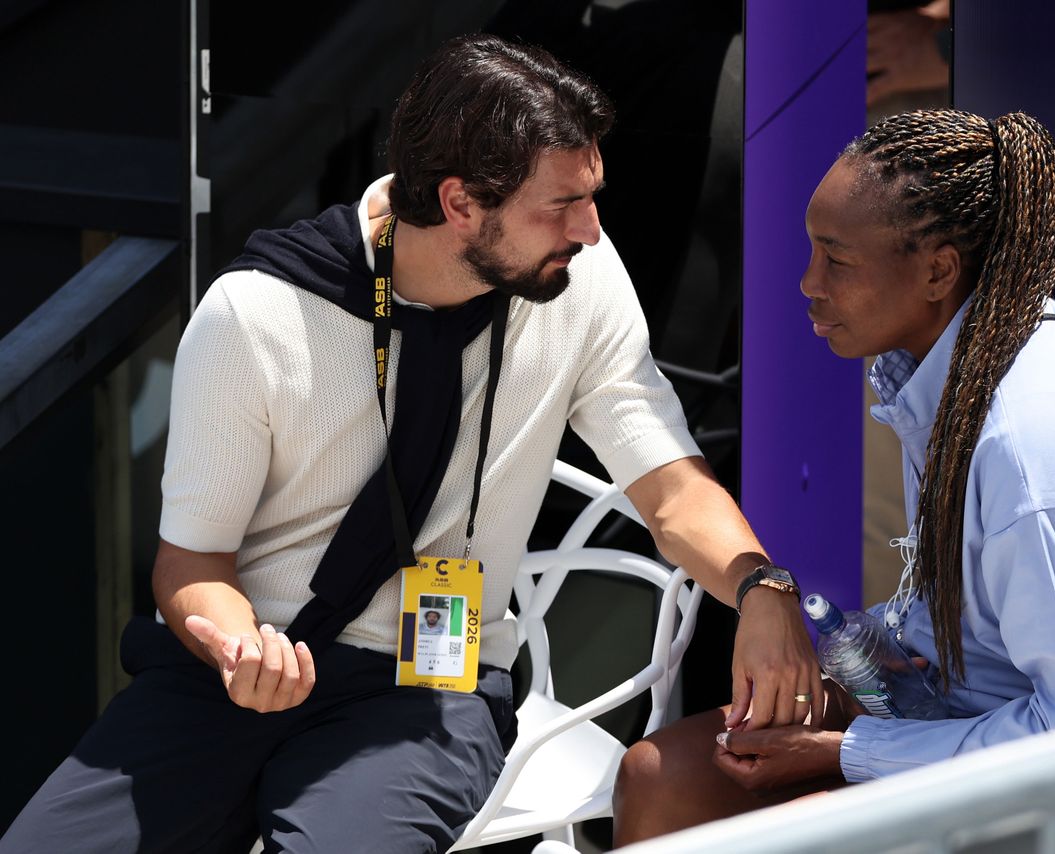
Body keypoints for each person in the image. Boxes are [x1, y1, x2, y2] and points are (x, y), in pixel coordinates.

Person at [1, 35, 821, 854]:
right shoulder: (255, 316)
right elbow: (191, 567)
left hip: (430, 684)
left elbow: (671, 489)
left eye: (593, 195)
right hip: (234, 672)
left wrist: (763, 588)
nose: (593, 230)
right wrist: (237, 648)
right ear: (461, 203)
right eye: (562, 206)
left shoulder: (580, 286)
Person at [611, 108, 1055, 843]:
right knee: (659, 778)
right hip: (976, 712)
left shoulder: (1038, 448)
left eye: (837, 258)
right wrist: (876, 657)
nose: (807, 283)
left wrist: (849, 752)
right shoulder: (941, 370)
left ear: (937, 271)